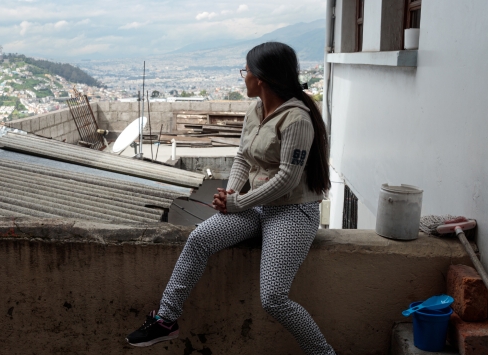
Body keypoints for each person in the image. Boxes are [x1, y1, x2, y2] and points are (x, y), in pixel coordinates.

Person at [126, 42, 335, 355]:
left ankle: (323, 353)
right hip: (256, 204)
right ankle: (166, 320)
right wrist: (232, 191)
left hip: (292, 211)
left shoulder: (297, 120)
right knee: (199, 240)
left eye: (246, 71)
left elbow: (287, 179)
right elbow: (243, 157)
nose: (244, 77)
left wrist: (238, 203)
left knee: (273, 298)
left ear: (261, 78)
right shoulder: (256, 110)